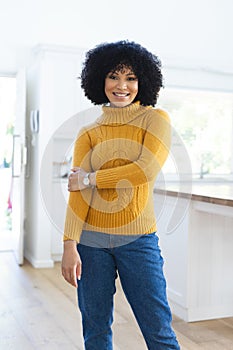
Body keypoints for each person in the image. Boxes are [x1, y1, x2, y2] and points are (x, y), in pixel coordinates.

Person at [61, 40, 180, 350]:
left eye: (131, 77)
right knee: (95, 331)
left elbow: (144, 170)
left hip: (138, 241)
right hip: (91, 243)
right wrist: (69, 244)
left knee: (158, 331)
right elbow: (77, 191)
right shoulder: (88, 132)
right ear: (101, 79)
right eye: (114, 76)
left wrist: (91, 178)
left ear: (143, 82)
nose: (122, 85)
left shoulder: (155, 119)